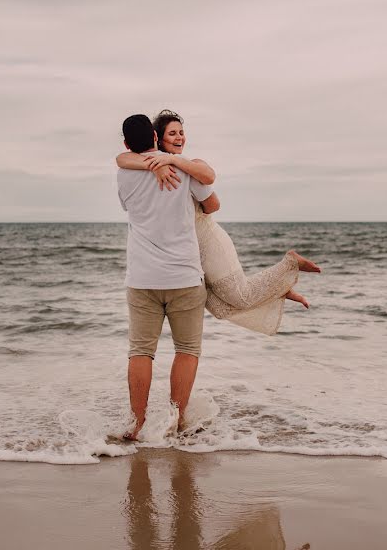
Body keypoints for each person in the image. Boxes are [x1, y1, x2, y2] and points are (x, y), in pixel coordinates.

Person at [117, 110, 321, 336]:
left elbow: (213, 203)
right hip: (185, 255)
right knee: (219, 308)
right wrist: (156, 164)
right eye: (172, 133)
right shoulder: (146, 165)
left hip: (208, 240)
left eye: (181, 133)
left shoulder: (190, 165)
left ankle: (289, 263)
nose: (179, 138)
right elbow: (121, 158)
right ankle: (278, 289)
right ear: (157, 137)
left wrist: (173, 161)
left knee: (240, 296)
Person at [117, 114, 217, 440]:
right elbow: (212, 204)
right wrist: (176, 165)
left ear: (126, 143)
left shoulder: (124, 174)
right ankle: (176, 421)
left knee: (140, 351)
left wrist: (156, 163)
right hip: (184, 276)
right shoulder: (184, 170)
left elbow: (124, 159)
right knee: (187, 349)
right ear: (158, 140)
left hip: (142, 277)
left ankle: (137, 424)